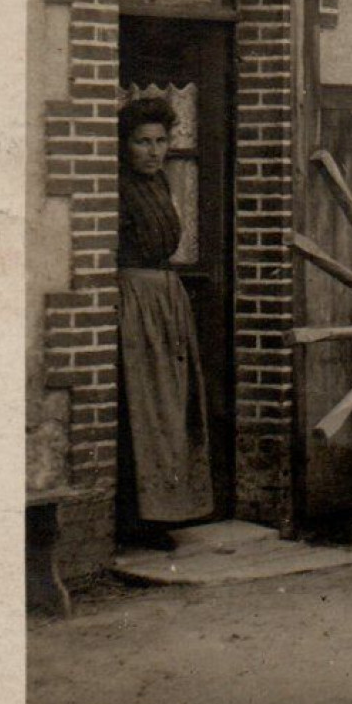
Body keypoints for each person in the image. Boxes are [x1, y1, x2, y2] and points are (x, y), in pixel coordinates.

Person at [116, 95, 213, 549]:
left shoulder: (161, 184)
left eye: (161, 141)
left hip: (166, 297)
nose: (154, 151)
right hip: (135, 300)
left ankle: (170, 511)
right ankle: (139, 518)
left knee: (172, 404)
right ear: (124, 146)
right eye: (142, 142)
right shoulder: (117, 188)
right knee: (145, 404)